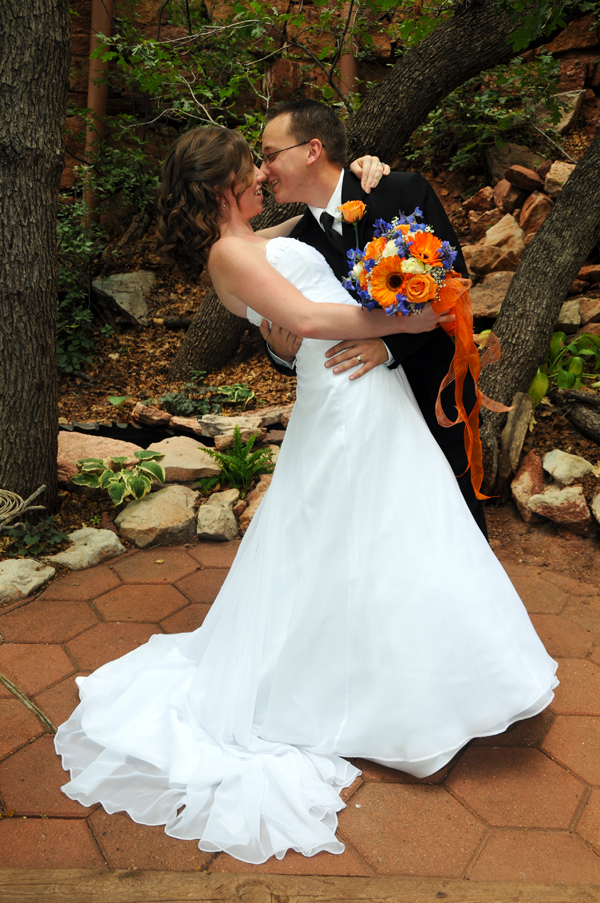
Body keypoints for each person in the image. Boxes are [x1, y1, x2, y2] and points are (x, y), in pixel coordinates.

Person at [54, 126, 557, 866]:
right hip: (346, 397)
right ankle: (384, 698)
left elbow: (323, 223)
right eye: (249, 168)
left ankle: (427, 676)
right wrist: (406, 318)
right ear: (226, 185)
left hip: (367, 396)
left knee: (394, 534)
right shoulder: (229, 255)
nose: (261, 173)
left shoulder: (254, 235)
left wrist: (365, 173)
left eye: (266, 159)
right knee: (364, 535)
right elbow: (314, 319)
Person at [259, 99, 487, 535]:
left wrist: (387, 345)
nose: (265, 169)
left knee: (455, 516)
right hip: (363, 413)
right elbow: (286, 324)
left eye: (271, 156)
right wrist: (279, 352)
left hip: (432, 388)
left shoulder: (398, 192)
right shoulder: (296, 244)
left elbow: (452, 286)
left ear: (312, 150)